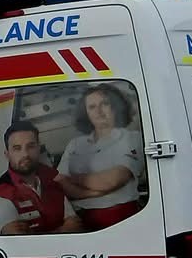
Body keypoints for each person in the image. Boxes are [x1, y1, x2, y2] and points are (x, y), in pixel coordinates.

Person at [54, 83, 147, 230]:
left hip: (122, 220)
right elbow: (59, 184)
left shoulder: (132, 138)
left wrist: (73, 179)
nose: (98, 111)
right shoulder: (75, 144)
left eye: (105, 104)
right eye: (92, 107)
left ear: (116, 107)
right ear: (85, 113)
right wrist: (94, 191)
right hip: (80, 222)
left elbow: (112, 180)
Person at [0, 120, 84, 235]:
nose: (25, 154)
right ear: (7, 155)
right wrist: (62, 230)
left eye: (31, 146)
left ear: (38, 148)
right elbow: (20, 242)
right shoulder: (0, 193)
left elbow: (76, 226)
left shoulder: (52, 181)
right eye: (17, 148)